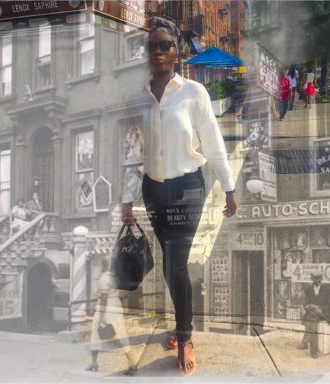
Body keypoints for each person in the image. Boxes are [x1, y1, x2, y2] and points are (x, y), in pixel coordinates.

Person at [121, 17, 237, 376]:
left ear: (176, 52)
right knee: (173, 265)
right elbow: (132, 152)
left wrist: (229, 188)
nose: (158, 51)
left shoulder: (193, 93)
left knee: (175, 262)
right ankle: (182, 324)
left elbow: (214, 145)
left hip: (188, 187)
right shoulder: (136, 98)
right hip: (154, 190)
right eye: (152, 46)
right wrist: (127, 199)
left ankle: (185, 336)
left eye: (164, 45)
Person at [86, 258, 136, 375]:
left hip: (106, 309)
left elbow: (103, 297)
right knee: (121, 334)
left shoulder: (104, 278)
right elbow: (123, 294)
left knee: (95, 335)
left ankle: (94, 362)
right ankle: (132, 362)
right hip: (116, 306)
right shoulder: (116, 278)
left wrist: (102, 316)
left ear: (103, 266)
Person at [299, 272, 330, 358]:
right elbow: (305, 303)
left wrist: (320, 308)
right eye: (315, 279)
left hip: (323, 313)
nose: (317, 281)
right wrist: (310, 307)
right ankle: (313, 351)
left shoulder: (327, 289)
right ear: (312, 279)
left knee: (311, 319)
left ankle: (305, 341)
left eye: (318, 279)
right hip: (312, 313)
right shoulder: (309, 289)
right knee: (312, 319)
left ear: (321, 279)